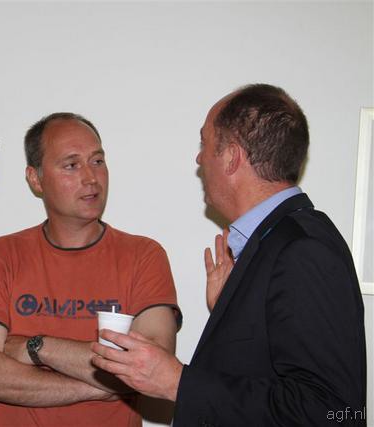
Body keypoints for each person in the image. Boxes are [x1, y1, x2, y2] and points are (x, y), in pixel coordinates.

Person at [91, 84, 367, 426]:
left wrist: (177, 383)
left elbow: (330, 412)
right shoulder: (274, 241)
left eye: (204, 144)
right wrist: (236, 313)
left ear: (232, 157)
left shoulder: (304, 249)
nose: (199, 159)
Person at [0, 112, 181, 426]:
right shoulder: (2, 255)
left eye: (97, 161)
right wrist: (101, 387)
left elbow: (151, 368)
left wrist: (37, 347)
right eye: (71, 165)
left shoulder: (144, 256)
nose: (91, 178)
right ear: (35, 179)